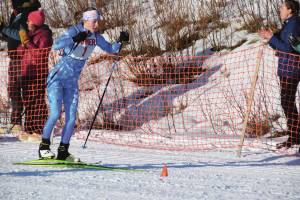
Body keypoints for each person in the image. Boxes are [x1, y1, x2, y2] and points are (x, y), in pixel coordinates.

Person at [38, 7, 129, 160]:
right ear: (86, 20)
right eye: (94, 21)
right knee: (54, 114)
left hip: (72, 82)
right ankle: (44, 147)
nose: (97, 24)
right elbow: (56, 45)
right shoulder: (74, 30)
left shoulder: (96, 37)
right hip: (57, 79)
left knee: (72, 118)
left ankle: (63, 151)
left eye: (98, 21)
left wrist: (121, 41)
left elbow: (110, 49)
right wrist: (74, 38)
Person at [258, 0, 300, 149]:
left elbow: (288, 48)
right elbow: (280, 44)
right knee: (287, 103)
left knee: (287, 103)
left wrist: (271, 38)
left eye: (282, 7)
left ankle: (295, 137)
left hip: (291, 69)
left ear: (290, 10)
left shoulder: (294, 25)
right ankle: (295, 136)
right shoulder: (288, 24)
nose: (279, 9)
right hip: (285, 69)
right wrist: (269, 38)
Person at [0, 0, 41, 137]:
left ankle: (31, 126)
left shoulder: (28, 13)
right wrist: (3, 29)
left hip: (23, 58)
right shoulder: (16, 13)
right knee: (13, 90)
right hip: (14, 57)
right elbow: (11, 34)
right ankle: (16, 122)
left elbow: (21, 35)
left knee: (24, 90)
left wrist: (3, 29)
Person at [17, 9, 53, 141]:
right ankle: (29, 129)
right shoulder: (30, 34)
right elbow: (20, 53)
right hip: (26, 71)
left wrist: (28, 43)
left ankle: (39, 130)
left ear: (35, 22)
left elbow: (40, 54)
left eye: (29, 20)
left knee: (37, 101)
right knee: (28, 101)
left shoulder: (44, 35)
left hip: (38, 72)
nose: (27, 22)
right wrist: (23, 43)